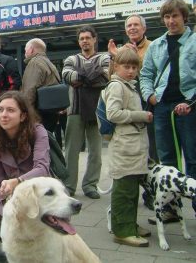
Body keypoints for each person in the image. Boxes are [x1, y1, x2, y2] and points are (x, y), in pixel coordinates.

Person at [140, 0, 196, 216]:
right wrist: (150, 96)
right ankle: (171, 209)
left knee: (192, 157)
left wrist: (190, 101)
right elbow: (146, 75)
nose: (171, 21)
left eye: (175, 16)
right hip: (163, 107)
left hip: (189, 107)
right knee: (167, 159)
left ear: (184, 16)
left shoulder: (193, 41)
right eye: (167, 17)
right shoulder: (157, 45)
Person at [0, 91, 50, 241]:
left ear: (23, 116)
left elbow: (42, 168)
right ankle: (19, 246)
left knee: (38, 223)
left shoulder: (38, 132)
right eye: (0, 110)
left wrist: (17, 182)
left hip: (38, 192)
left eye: (10, 110)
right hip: (11, 197)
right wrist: (7, 197)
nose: (4, 115)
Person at [102, 48, 153, 247]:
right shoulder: (117, 86)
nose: (131, 71)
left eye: (134, 67)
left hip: (132, 146)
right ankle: (122, 230)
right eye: (126, 67)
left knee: (132, 189)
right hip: (124, 147)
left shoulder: (128, 85)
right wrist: (141, 116)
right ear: (116, 67)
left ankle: (130, 224)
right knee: (124, 191)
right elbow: (113, 114)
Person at [108, 14, 157, 210]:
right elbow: (111, 78)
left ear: (144, 28)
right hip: (128, 111)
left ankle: (151, 194)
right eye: (129, 25)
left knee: (151, 152)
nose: (132, 28)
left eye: (136, 25)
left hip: (149, 106)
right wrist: (114, 56)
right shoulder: (121, 50)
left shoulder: (153, 47)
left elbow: (150, 73)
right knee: (129, 155)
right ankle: (129, 197)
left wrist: (137, 57)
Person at [62, 25, 110, 199]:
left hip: (98, 110)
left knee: (96, 150)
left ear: (95, 39)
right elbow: (67, 75)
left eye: (88, 38)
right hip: (74, 110)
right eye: (81, 38)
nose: (84, 41)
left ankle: (90, 185)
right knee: (71, 150)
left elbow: (105, 77)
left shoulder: (104, 58)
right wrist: (91, 76)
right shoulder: (71, 58)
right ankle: (68, 186)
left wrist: (81, 77)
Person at [21, 38, 61, 132]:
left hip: (38, 115)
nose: (25, 53)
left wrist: (25, 113)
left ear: (31, 49)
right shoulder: (49, 63)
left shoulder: (34, 63)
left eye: (25, 50)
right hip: (51, 113)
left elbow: (29, 91)